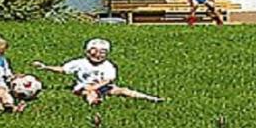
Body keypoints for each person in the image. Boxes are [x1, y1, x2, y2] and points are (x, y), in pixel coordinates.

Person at [32, 38, 163, 105]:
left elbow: (108, 79)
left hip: (103, 86)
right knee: (89, 92)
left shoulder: (108, 66)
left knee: (123, 90)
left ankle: (150, 98)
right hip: (85, 86)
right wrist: (45, 67)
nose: (97, 55)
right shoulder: (79, 63)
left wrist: (97, 86)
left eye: (102, 53)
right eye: (93, 52)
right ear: (87, 52)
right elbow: (63, 69)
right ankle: (93, 102)